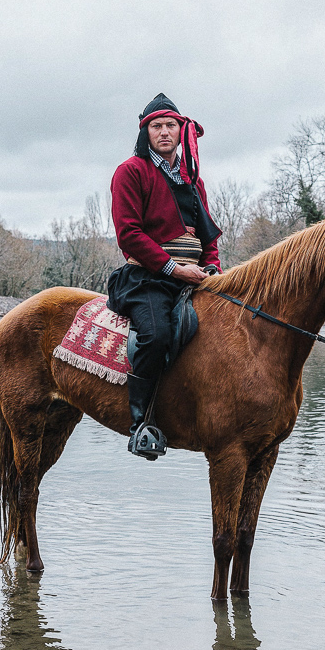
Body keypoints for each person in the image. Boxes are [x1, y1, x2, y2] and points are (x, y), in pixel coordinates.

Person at [107, 93, 222, 458]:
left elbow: (208, 238)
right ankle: (140, 424)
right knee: (156, 335)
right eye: (156, 126)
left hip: (195, 276)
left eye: (170, 125)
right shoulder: (131, 172)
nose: (164, 132)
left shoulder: (193, 180)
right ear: (146, 133)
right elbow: (129, 234)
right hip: (148, 278)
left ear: (180, 129)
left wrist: (213, 269)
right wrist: (174, 268)